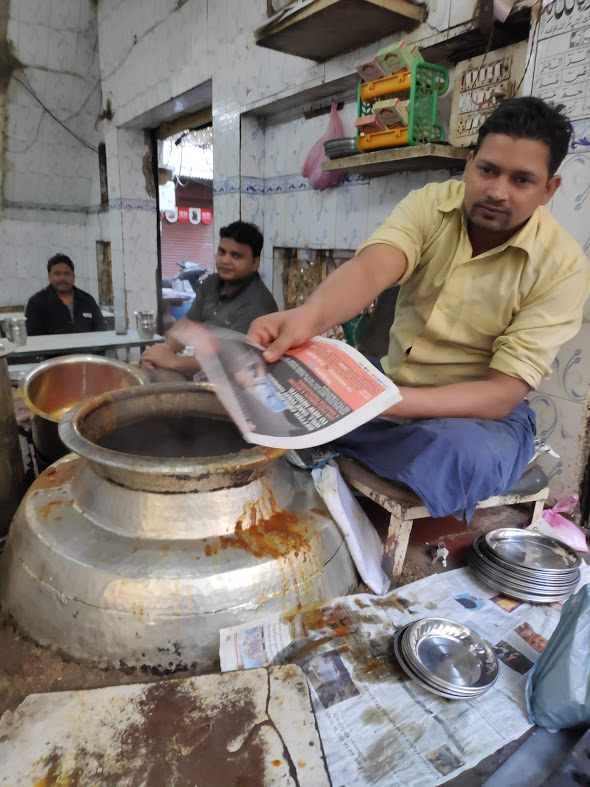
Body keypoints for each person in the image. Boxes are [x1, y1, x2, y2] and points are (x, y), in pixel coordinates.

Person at [248, 97, 590, 521]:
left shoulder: (563, 266)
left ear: (548, 190)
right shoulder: (431, 204)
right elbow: (372, 268)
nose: (497, 191)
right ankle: (356, 444)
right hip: (390, 381)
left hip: (474, 418)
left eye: (521, 180)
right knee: (278, 395)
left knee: (463, 457)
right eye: (488, 171)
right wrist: (308, 316)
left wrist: (382, 404)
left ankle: (343, 443)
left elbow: (501, 394)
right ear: (469, 165)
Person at [141, 221, 278, 380]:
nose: (225, 260)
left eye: (236, 256)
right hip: (204, 373)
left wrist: (173, 361)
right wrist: (163, 350)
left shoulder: (257, 304)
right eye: (222, 252)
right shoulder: (212, 283)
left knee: (163, 379)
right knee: (150, 370)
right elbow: (188, 324)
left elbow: (229, 362)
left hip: (236, 382)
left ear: (255, 263)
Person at [25, 254, 106, 336]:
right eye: (57, 274)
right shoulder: (36, 303)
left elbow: (101, 330)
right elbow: (33, 337)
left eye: (67, 274)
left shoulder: (87, 300)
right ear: (49, 276)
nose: (62, 278)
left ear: (73, 277)